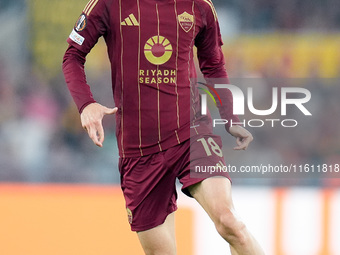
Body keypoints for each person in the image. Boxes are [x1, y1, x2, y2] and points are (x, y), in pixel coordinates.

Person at [62, 0, 264, 254]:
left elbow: (213, 64)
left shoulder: (199, 6)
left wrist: (231, 117)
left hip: (191, 134)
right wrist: (86, 104)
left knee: (229, 222)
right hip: (139, 151)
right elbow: (72, 56)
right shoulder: (109, 4)